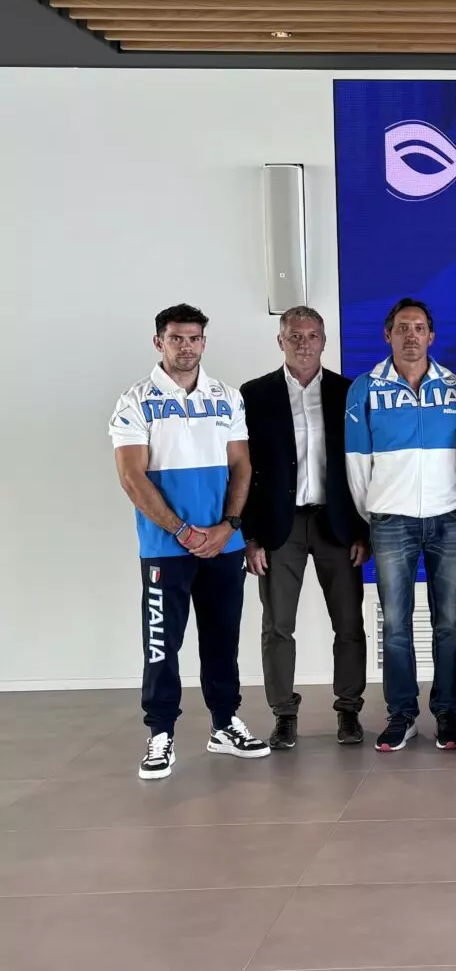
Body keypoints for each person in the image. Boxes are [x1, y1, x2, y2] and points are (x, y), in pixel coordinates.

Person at [110, 303, 269, 779]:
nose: (186, 347)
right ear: (158, 342)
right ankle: (160, 733)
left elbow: (241, 465)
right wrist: (181, 530)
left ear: (204, 342)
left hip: (223, 544)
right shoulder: (134, 401)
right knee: (162, 644)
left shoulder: (227, 397)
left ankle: (225, 724)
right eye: (176, 338)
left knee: (222, 639)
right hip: (166, 548)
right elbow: (132, 477)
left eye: (194, 338)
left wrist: (229, 525)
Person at [345, 298, 456, 753]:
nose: (411, 335)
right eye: (403, 328)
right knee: (396, 624)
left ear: (431, 336)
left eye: (419, 328)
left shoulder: (455, 386)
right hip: (391, 521)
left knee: (449, 622)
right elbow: (357, 463)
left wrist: (451, 495)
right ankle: (402, 714)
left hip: (448, 519)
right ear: (388, 335)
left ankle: (447, 712)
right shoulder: (365, 388)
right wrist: (378, 510)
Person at [240, 306, 369, 749]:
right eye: (294, 335)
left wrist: (363, 531)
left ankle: (349, 710)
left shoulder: (347, 392)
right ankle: (283, 714)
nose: (303, 343)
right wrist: (249, 536)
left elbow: (362, 466)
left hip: (338, 524)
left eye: (312, 335)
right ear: (280, 341)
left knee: (349, 624)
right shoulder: (254, 394)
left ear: (324, 341)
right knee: (278, 626)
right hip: (280, 527)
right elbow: (243, 469)